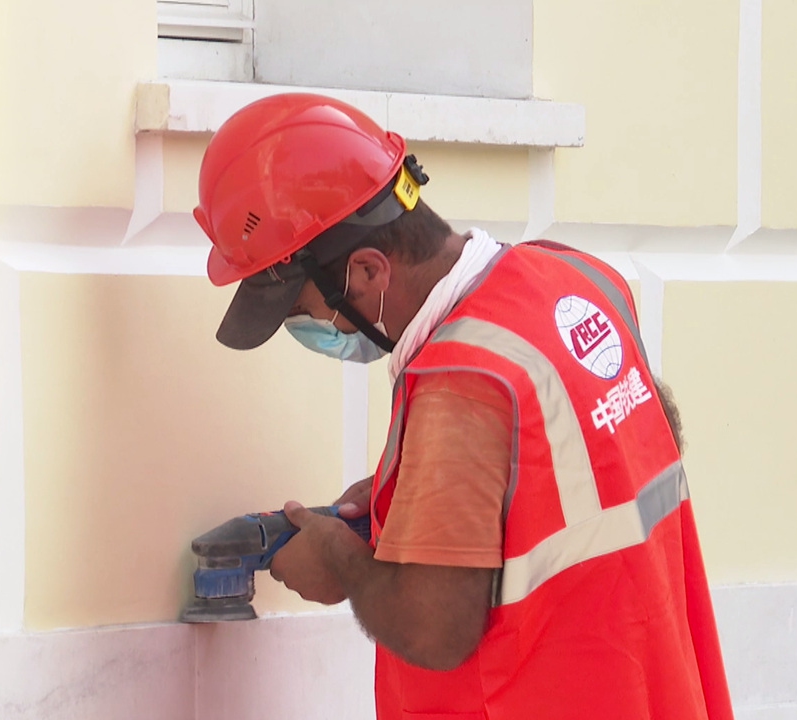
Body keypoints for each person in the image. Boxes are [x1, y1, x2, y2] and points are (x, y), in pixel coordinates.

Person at [194, 93, 734, 720]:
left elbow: (435, 631)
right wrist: (426, 492)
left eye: (310, 310)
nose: (319, 326)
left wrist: (339, 561)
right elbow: (638, 438)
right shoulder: (577, 278)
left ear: (367, 272)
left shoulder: (459, 378)